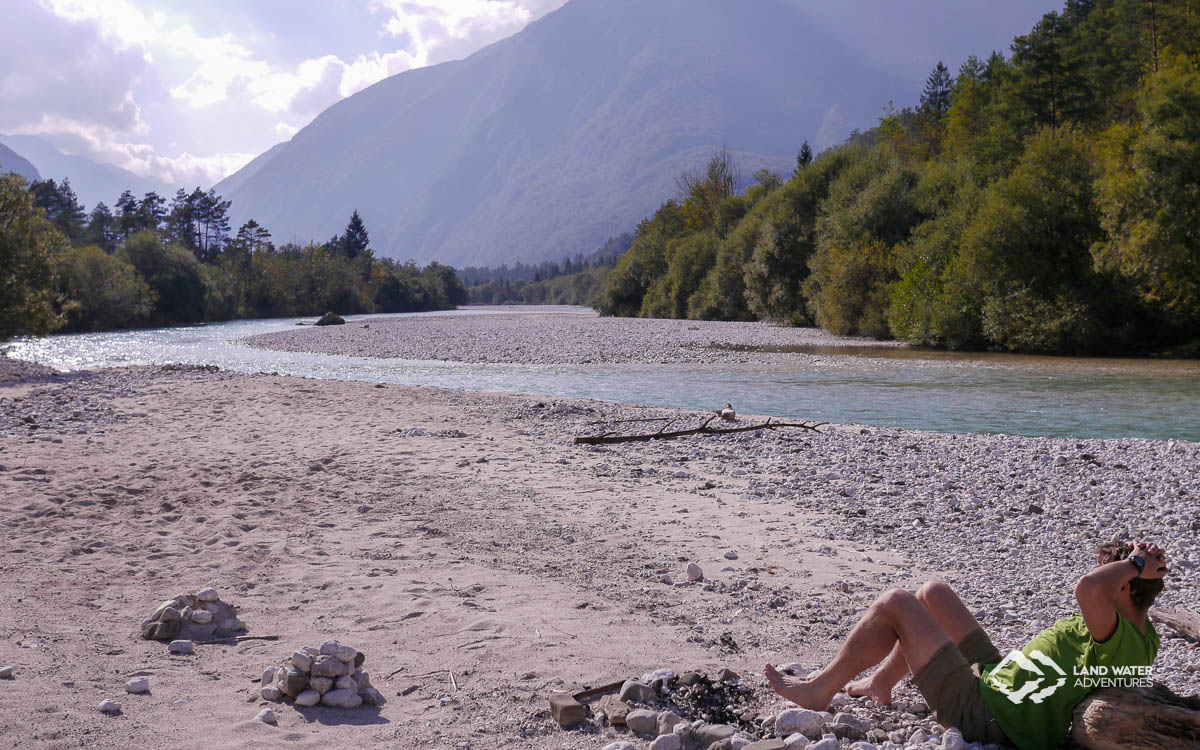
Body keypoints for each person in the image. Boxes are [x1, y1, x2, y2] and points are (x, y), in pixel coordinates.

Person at [764, 541, 1168, 749]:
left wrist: (1133, 563)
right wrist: (1138, 569)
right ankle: (880, 683)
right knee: (932, 593)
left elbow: (1087, 587)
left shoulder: (1114, 633)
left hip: (988, 714)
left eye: (1111, 575)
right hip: (1001, 681)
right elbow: (1096, 588)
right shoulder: (1142, 634)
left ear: (1123, 587)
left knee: (896, 603)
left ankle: (820, 690)